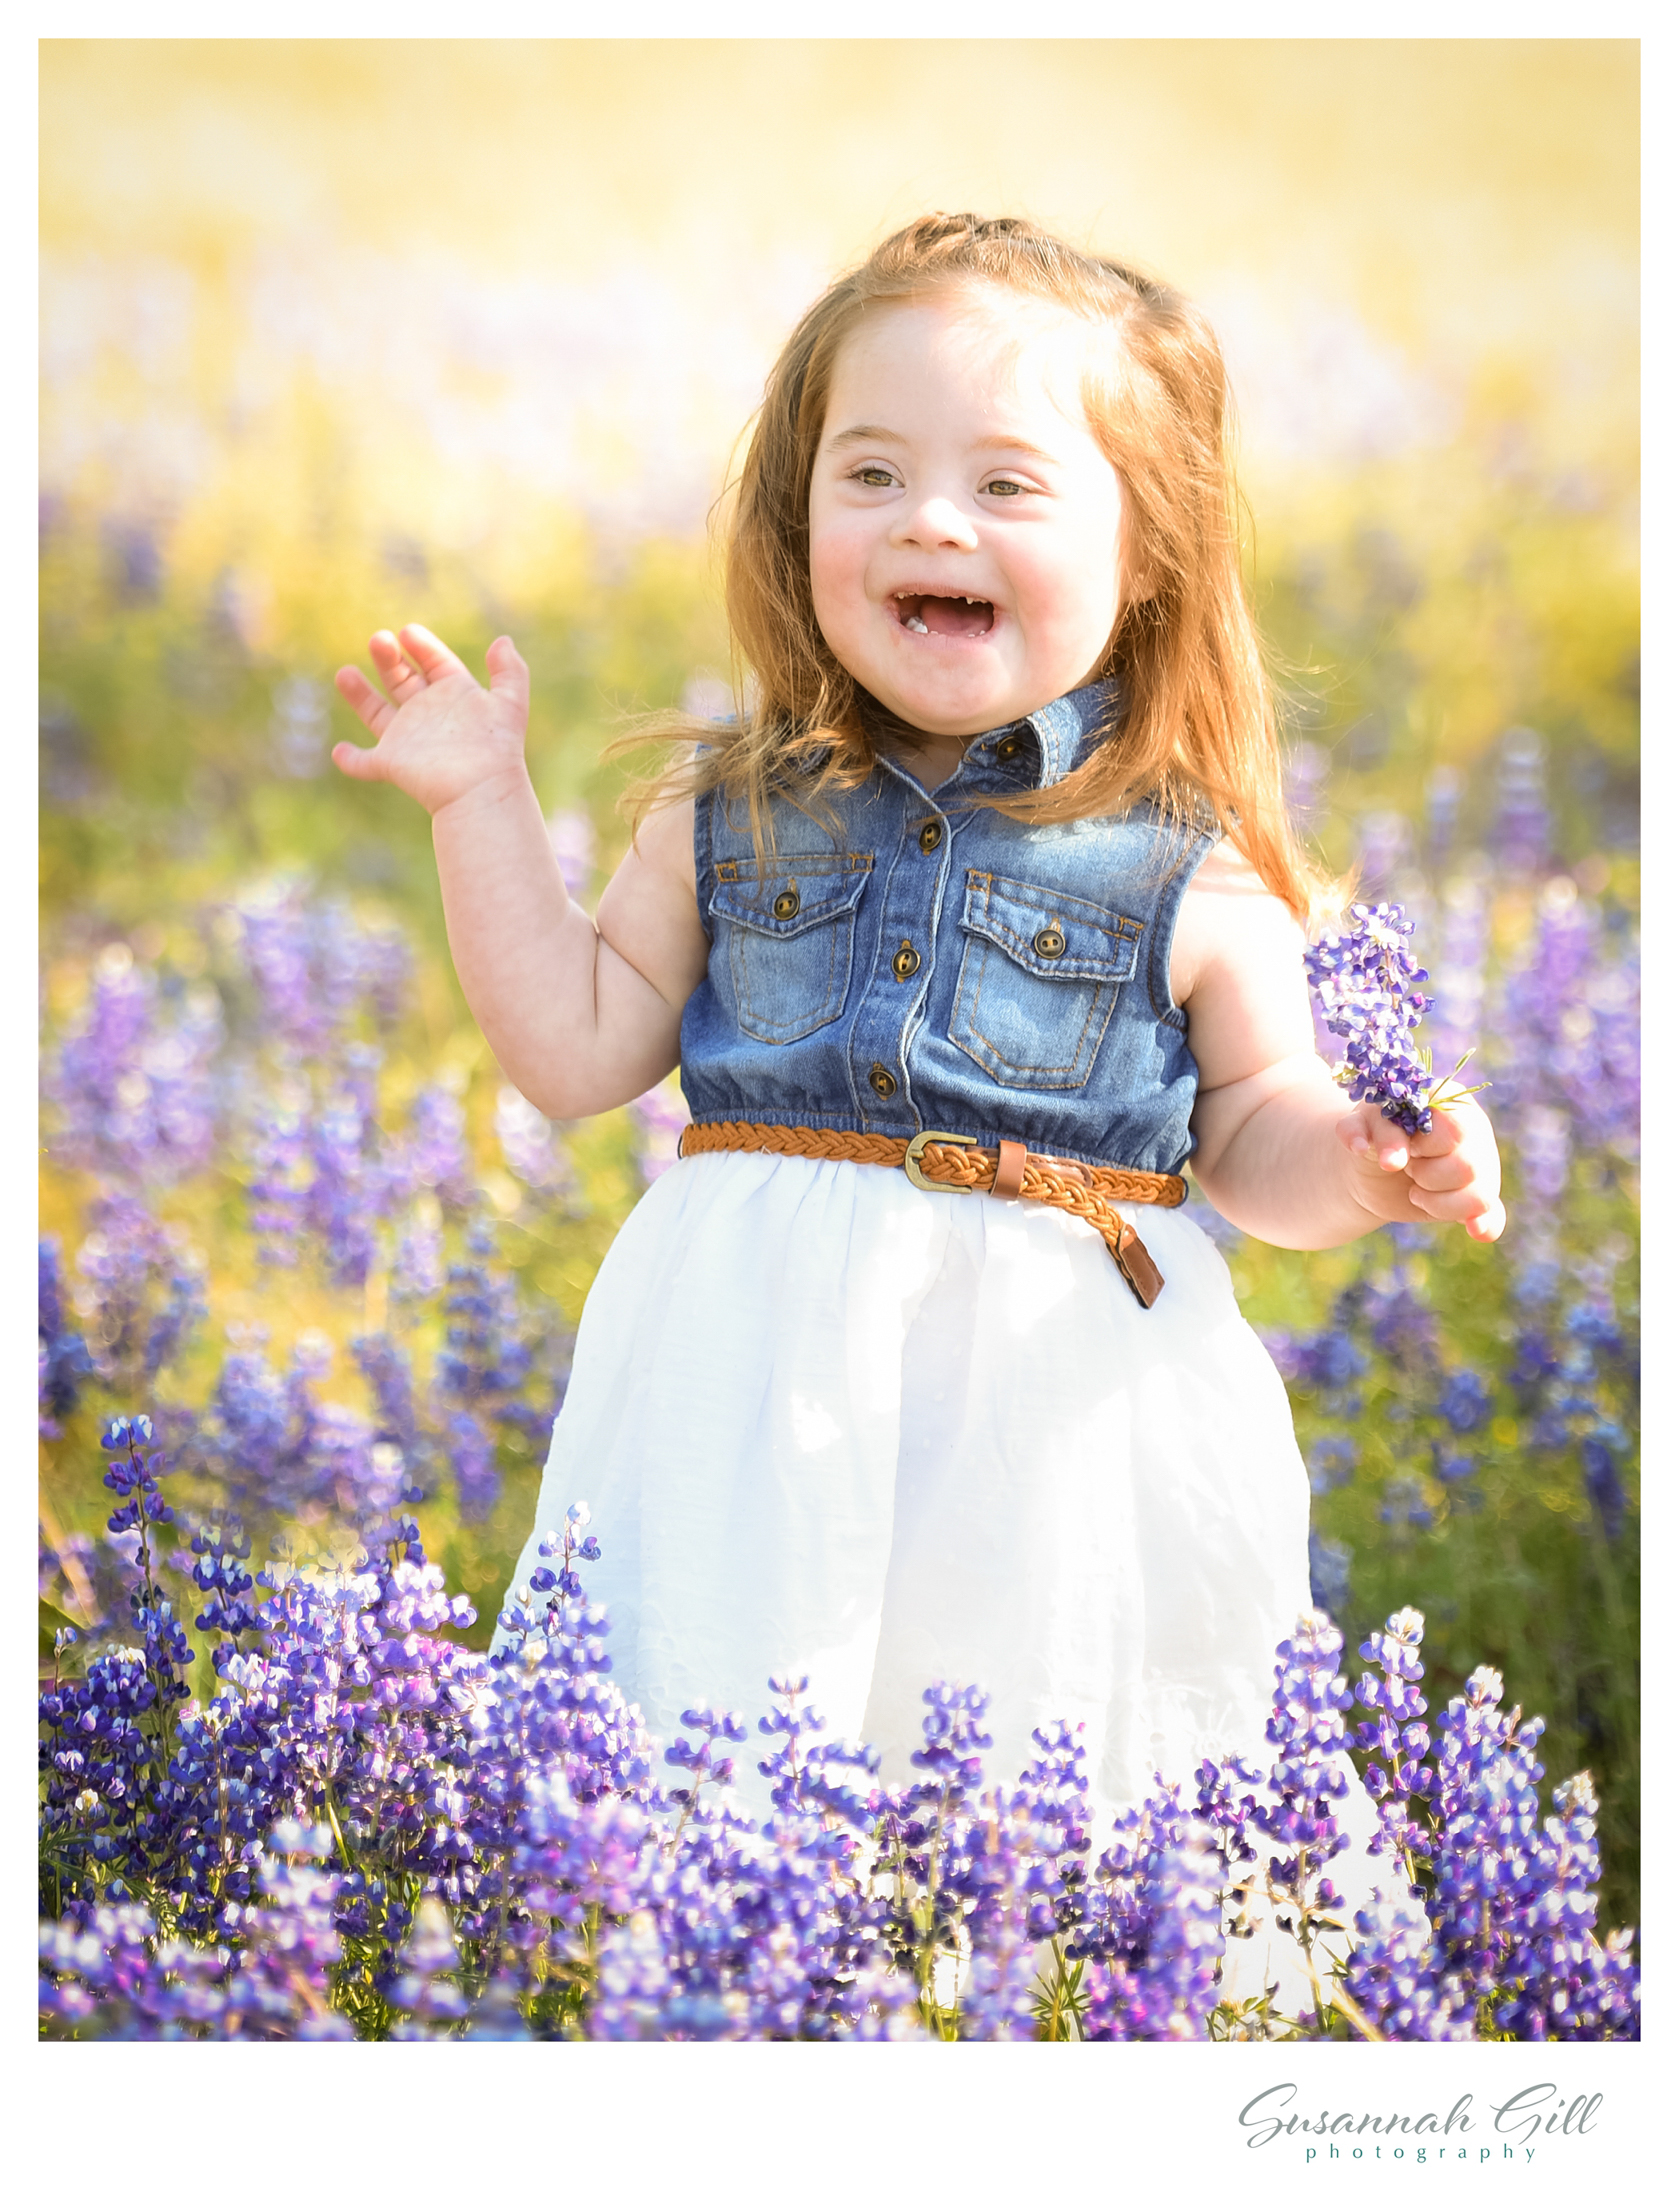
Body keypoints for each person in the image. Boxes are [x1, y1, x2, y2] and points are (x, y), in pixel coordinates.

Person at [332, 213, 1503, 1834]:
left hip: (1047, 1402)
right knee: (717, 1755)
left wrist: (1372, 1165)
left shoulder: (1190, 867)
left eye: (1006, 485)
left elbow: (1252, 1137)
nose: (927, 519)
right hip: (746, 1375)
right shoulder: (727, 809)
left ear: (1144, 548)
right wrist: (481, 805)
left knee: (1036, 1784)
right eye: (868, 475)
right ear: (794, 515)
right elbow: (579, 1047)